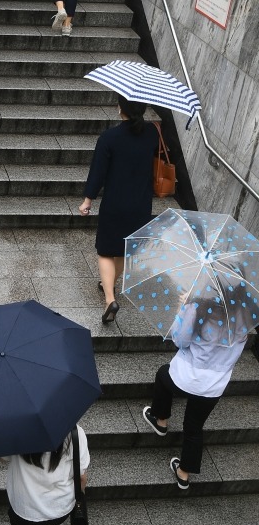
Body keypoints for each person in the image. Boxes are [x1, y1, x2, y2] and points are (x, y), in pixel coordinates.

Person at [142, 300, 248, 490]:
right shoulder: (246, 316)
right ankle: (183, 474)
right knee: (194, 427)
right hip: (214, 385)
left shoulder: (197, 307)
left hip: (186, 378)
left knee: (162, 375)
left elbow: (179, 340)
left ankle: (161, 420)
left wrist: (182, 309)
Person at [78, 96, 158, 324]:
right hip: (141, 203)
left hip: (115, 203)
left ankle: (110, 298)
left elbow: (98, 173)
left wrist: (87, 200)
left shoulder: (110, 138)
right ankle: (108, 282)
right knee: (124, 248)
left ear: (120, 109)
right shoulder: (152, 133)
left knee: (105, 250)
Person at [4, 427, 89, 525]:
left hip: (24, 508)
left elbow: (4, 458)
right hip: (59, 508)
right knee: (40, 519)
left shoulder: (16, 430)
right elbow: (82, 478)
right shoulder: (75, 433)